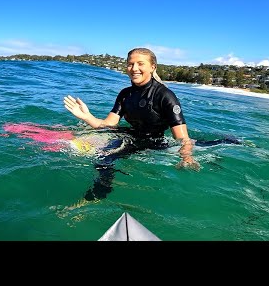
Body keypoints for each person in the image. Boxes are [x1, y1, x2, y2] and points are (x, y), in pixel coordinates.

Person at [63, 47, 200, 201]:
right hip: (130, 135)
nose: (134, 68)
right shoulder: (125, 94)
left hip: (153, 143)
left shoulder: (165, 96)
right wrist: (86, 116)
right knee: (96, 149)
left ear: (153, 67)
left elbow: (182, 138)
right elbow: (108, 125)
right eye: (130, 64)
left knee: (104, 159)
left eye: (140, 64)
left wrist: (186, 157)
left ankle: (97, 196)